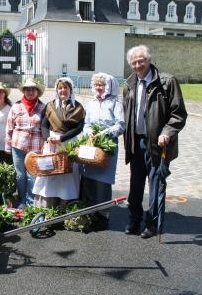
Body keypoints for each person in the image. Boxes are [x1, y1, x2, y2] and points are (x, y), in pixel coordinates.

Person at [123, 45, 187, 238]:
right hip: (136, 143)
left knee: (156, 185)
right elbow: (127, 114)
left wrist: (167, 131)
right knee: (135, 185)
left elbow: (179, 114)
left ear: (149, 60)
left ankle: (151, 224)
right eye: (133, 62)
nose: (137, 65)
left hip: (158, 144)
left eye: (140, 61)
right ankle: (134, 221)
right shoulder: (129, 84)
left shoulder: (167, 82)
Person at [80, 73, 125, 230]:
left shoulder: (114, 103)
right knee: (90, 180)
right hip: (92, 145)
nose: (99, 88)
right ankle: (91, 212)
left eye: (102, 85)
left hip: (107, 146)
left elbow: (121, 125)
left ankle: (103, 215)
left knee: (103, 182)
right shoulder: (91, 103)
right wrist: (89, 132)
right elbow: (86, 124)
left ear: (109, 87)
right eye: (97, 85)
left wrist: (104, 133)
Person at [32, 77, 85, 208]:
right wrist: (47, 138)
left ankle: (66, 206)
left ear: (70, 90)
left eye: (65, 87)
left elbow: (79, 128)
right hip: (51, 144)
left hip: (68, 144)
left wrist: (61, 139)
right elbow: (43, 125)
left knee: (67, 175)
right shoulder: (50, 106)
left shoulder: (78, 107)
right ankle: (46, 206)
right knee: (49, 174)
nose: (63, 90)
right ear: (56, 90)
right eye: (60, 87)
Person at [5, 78, 46, 208]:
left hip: (35, 147)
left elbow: (46, 128)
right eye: (27, 89)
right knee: (20, 175)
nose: (30, 92)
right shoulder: (16, 106)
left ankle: (30, 201)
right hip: (18, 146)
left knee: (32, 175)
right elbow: (9, 127)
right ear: (23, 91)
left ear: (37, 91)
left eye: (33, 89)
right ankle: (22, 200)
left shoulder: (43, 107)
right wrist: (7, 145)